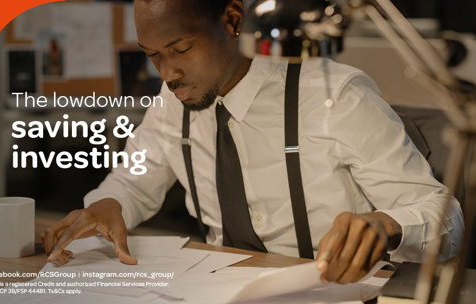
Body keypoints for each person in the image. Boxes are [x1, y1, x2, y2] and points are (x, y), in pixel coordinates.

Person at [42, 0, 464, 284]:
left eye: (181, 48)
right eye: (153, 54)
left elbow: (446, 221)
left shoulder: (337, 94)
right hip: (216, 288)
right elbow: (134, 182)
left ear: (231, 21)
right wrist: (106, 204)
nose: (166, 73)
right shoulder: (174, 101)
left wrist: (387, 225)